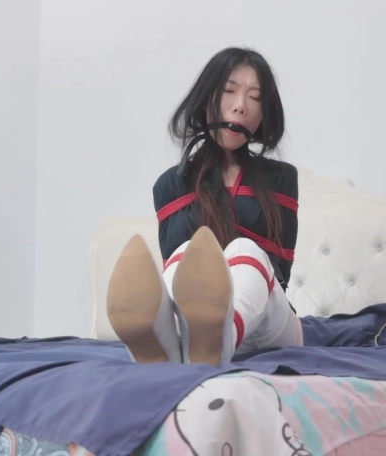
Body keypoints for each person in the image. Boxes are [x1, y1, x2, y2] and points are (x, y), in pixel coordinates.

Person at [106, 47, 303, 366]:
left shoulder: (281, 179)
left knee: (246, 250)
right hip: (193, 333)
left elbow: (280, 273)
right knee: (185, 254)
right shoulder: (170, 186)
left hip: (268, 323)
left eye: (254, 97)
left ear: (264, 113)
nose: (240, 106)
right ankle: (165, 342)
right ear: (206, 97)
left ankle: (211, 341)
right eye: (229, 91)